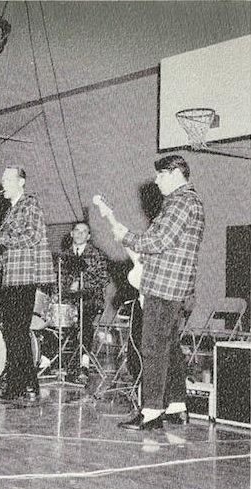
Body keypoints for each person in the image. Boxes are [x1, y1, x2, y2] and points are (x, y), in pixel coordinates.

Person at [111, 155, 204, 430]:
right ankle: (177, 406)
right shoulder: (191, 201)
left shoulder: (180, 201)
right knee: (170, 347)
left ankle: (151, 411)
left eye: (161, 175)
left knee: (152, 346)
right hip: (177, 286)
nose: (156, 180)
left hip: (164, 286)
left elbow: (160, 240)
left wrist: (127, 236)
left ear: (175, 173)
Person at [0, 167, 55, 402]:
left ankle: (17, 386)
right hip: (13, 276)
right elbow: (15, 246)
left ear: (21, 181)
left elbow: (32, 237)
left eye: (6, 179)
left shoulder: (29, 204)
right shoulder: (12, 209)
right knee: (17, 332)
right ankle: (29, 383)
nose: (2, 183)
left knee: (16, 332)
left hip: (25, 277)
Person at [62, 221, 109, 386]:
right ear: (71, 233)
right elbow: (60, 278)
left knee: (85, 320)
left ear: (89, 236)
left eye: (84, 232)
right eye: (77, 231)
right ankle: (48, 360)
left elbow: (104, 278)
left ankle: (84, 363)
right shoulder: (64, 255)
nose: (80, 234)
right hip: (70, 301)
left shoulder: (97, 255)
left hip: (91, 300)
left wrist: (83, 284)